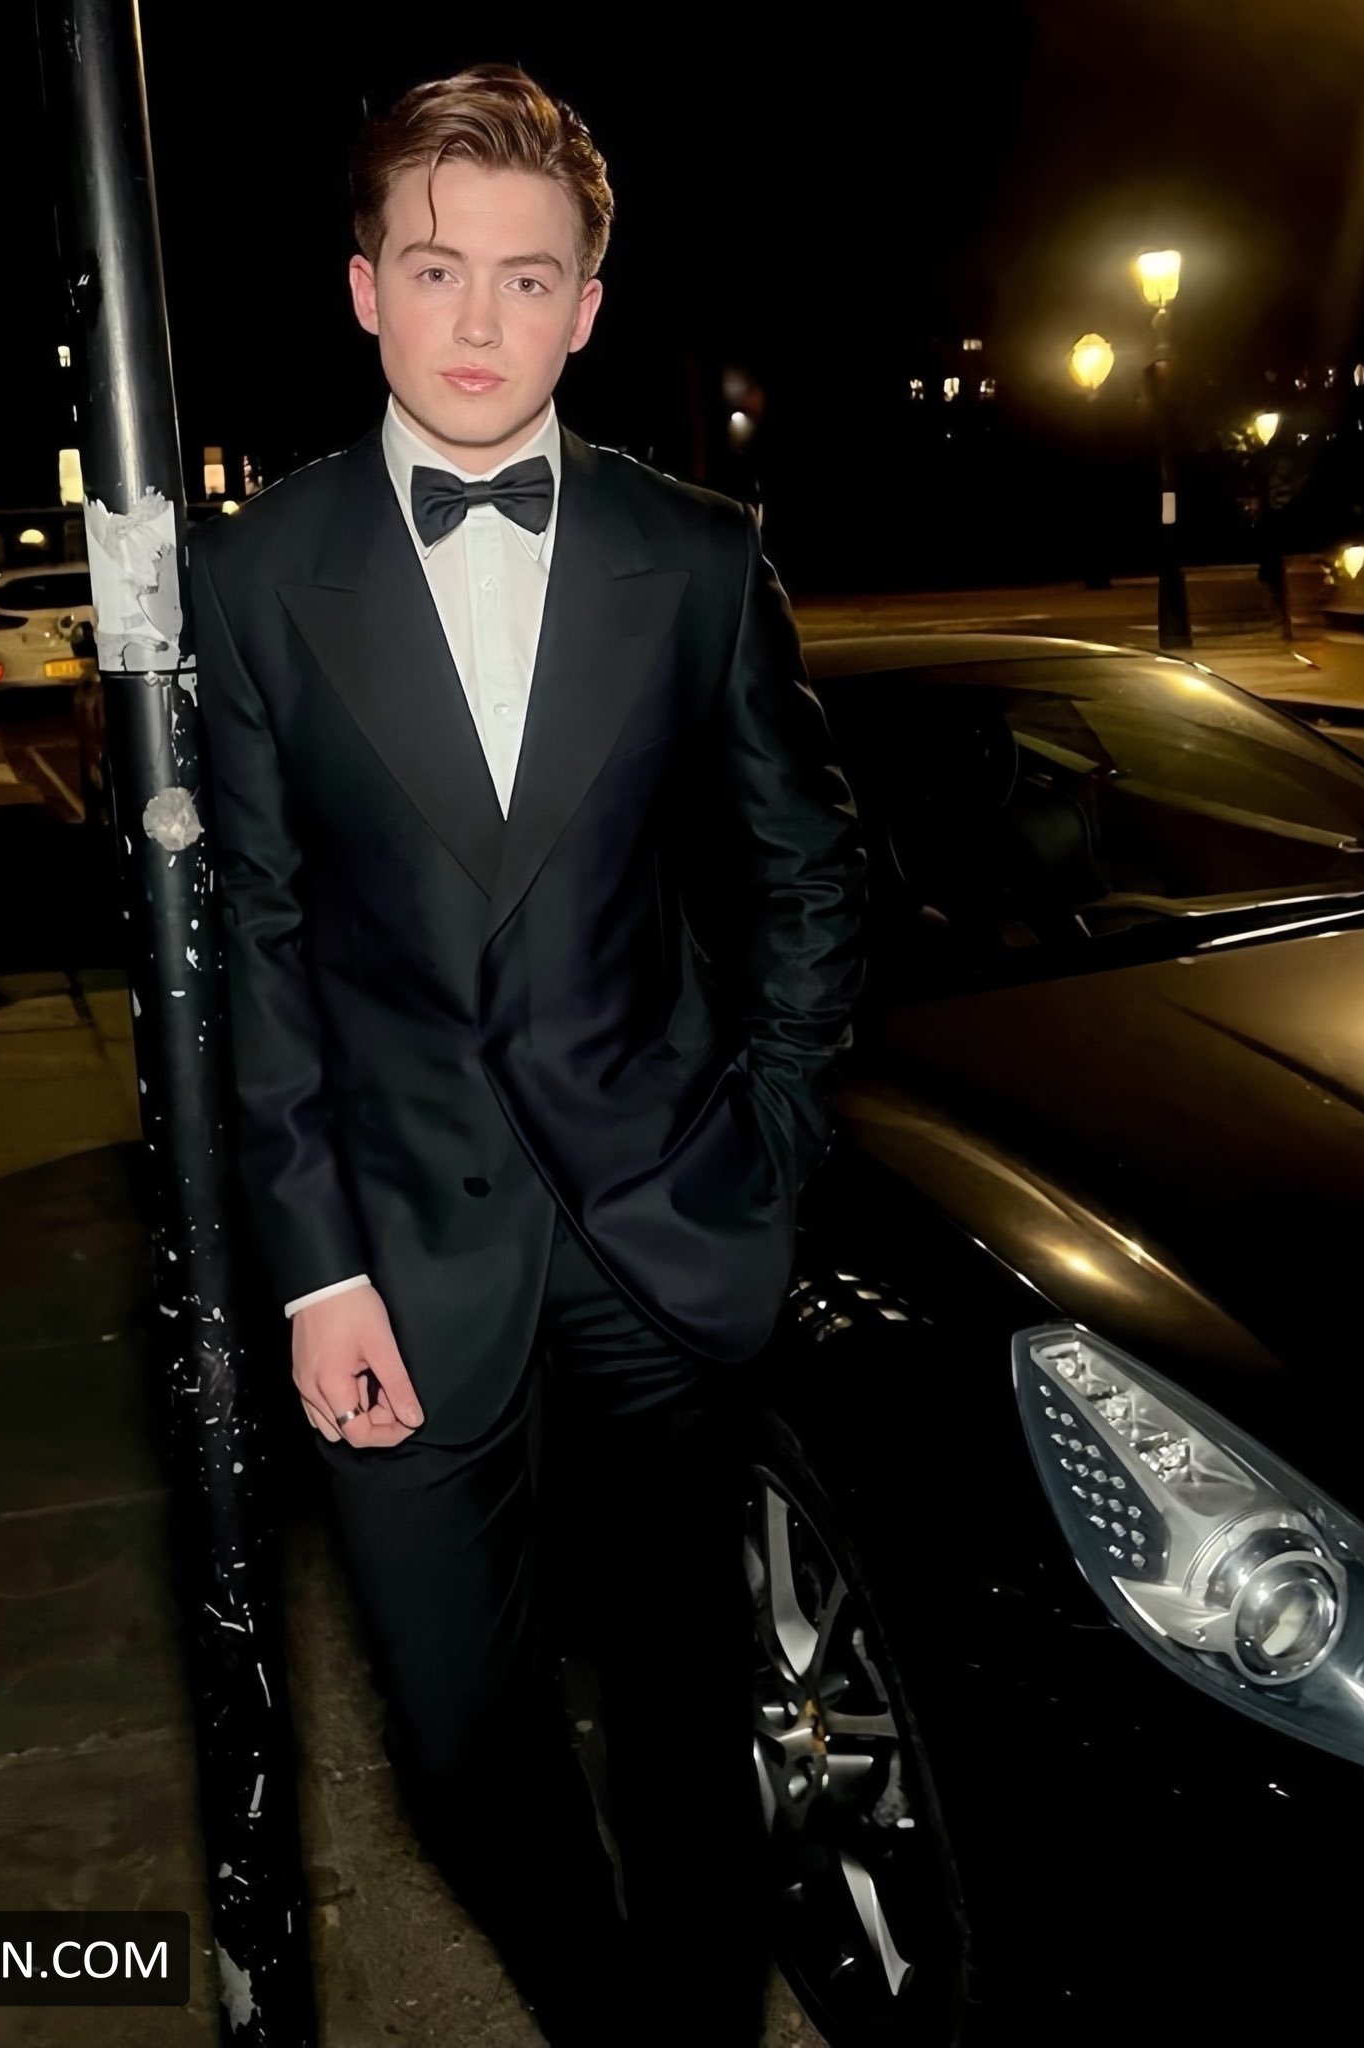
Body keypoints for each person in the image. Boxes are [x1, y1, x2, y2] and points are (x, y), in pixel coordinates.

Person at [191, 62, 865, 2046]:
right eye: (435, 269)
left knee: (689, 1715)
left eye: (525, 277)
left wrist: (768, 1137)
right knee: (460, 1742)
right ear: (363, 290)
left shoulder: (698, 556)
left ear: (586, 306)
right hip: (394, 1261)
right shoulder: (260, 574)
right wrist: (312, 1263)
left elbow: (811, 869)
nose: (477, 320)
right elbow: (252, 939)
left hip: (663, 1233)